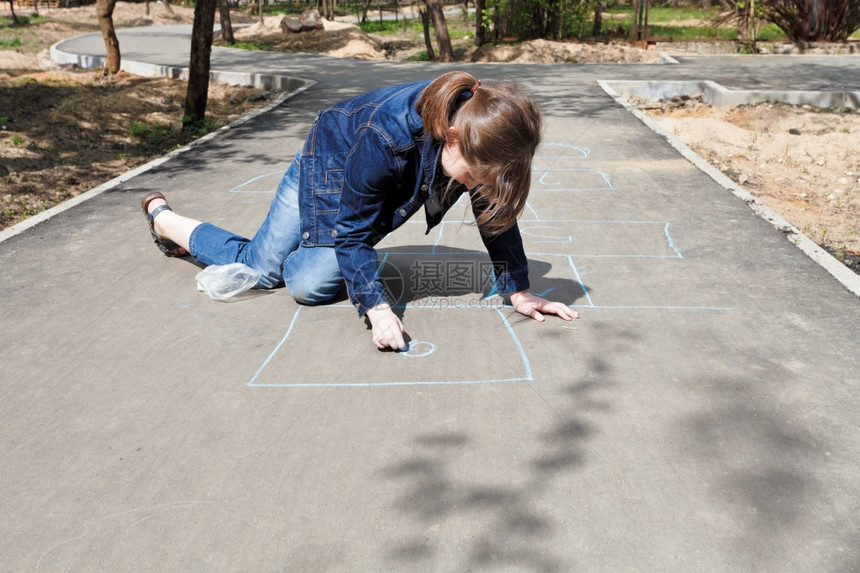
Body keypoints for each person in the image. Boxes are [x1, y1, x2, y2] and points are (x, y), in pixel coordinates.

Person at [141, 71, 579, 351]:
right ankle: (164, 217)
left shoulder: (481, 130)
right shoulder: (387, 137)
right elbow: (353, 233)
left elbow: (494, 213)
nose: (477, 186)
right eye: (475, 174)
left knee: (295, 268)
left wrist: (518, 288)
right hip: (327, 164)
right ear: (451, 137)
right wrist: (376, 306)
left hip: (366, 176)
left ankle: (306, 248)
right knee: (289, 277)